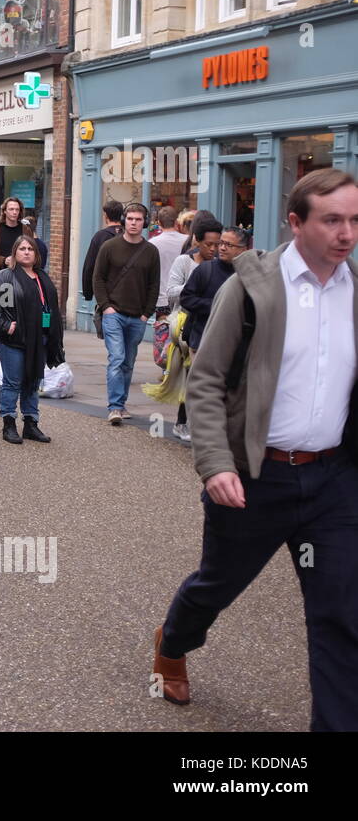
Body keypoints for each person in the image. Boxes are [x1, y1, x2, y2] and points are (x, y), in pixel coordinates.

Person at [152, 168, 358, 730]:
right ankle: (173, 642)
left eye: (354, 220)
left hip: (333, 482)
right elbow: (207, 380)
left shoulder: (354, 290)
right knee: (217, 585)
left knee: (340, 614)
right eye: (332, 220)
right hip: (255, 477)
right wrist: (216, 464)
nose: (347, 233)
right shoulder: (250, 288)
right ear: (296, 223)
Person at [0, 235, 66, 444]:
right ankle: (9, 423)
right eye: (22, 249)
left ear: (36, 254)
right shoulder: (5, 277)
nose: (26, 252)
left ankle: (31, 423)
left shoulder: (42, 278)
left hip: (40, 339)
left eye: (30, 249)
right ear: (15, 253)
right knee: (13, 382)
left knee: (33, 380)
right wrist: (4, 324)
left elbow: (51, 309)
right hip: (13, 339)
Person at [93, 202, 161, 424]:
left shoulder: (151, 251)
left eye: (138, 220)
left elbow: (154, 285)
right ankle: (114, 407)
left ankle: (121, 405)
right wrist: (106, 307)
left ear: (145, 223)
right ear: (124, 220)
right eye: (130, 219)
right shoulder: (110, 247)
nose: (133, 223)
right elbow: (98, 278)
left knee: (128, 362)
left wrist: (146, 314)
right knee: (117, 358)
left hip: (138, 316)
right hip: (114, 313)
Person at [160, 216, 223, 442]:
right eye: (209, 245)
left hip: (215, 326)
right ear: (197, 241)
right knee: (191, 375)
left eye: (218, 244)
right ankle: (182, 421)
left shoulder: (222, 265)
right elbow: (172, 292)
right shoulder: (184, 262)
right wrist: (197, 283)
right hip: (186, 325)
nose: (214, 250)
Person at [180, 227, 251, 353]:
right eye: (221, 243)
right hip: (202, 344)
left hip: (236, 348)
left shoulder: (250, 276)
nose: (222, 248)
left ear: (244, 249)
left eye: (228, 245)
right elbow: (186, 299)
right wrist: (217, 305)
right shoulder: (205, 270)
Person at [0, 197, 36, 279]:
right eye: (11, 209)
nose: (14, 212)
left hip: (21, 277)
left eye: (17, 209)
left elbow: (33, 252)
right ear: (5, 211)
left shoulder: (26, 230)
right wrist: (3, 261)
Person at [148, 206, 187, 321]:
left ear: (159, 223)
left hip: (162, 298)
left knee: (163, 335)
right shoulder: (188, 240)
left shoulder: (152, 244)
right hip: (183, 296)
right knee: (181, 335)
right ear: (176, 221)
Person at [80, 200, 124, 299]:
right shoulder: (127, 235)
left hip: (105, 290)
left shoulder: (100, 236)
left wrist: (88, 292)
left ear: (106, 216)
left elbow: (89, 266)